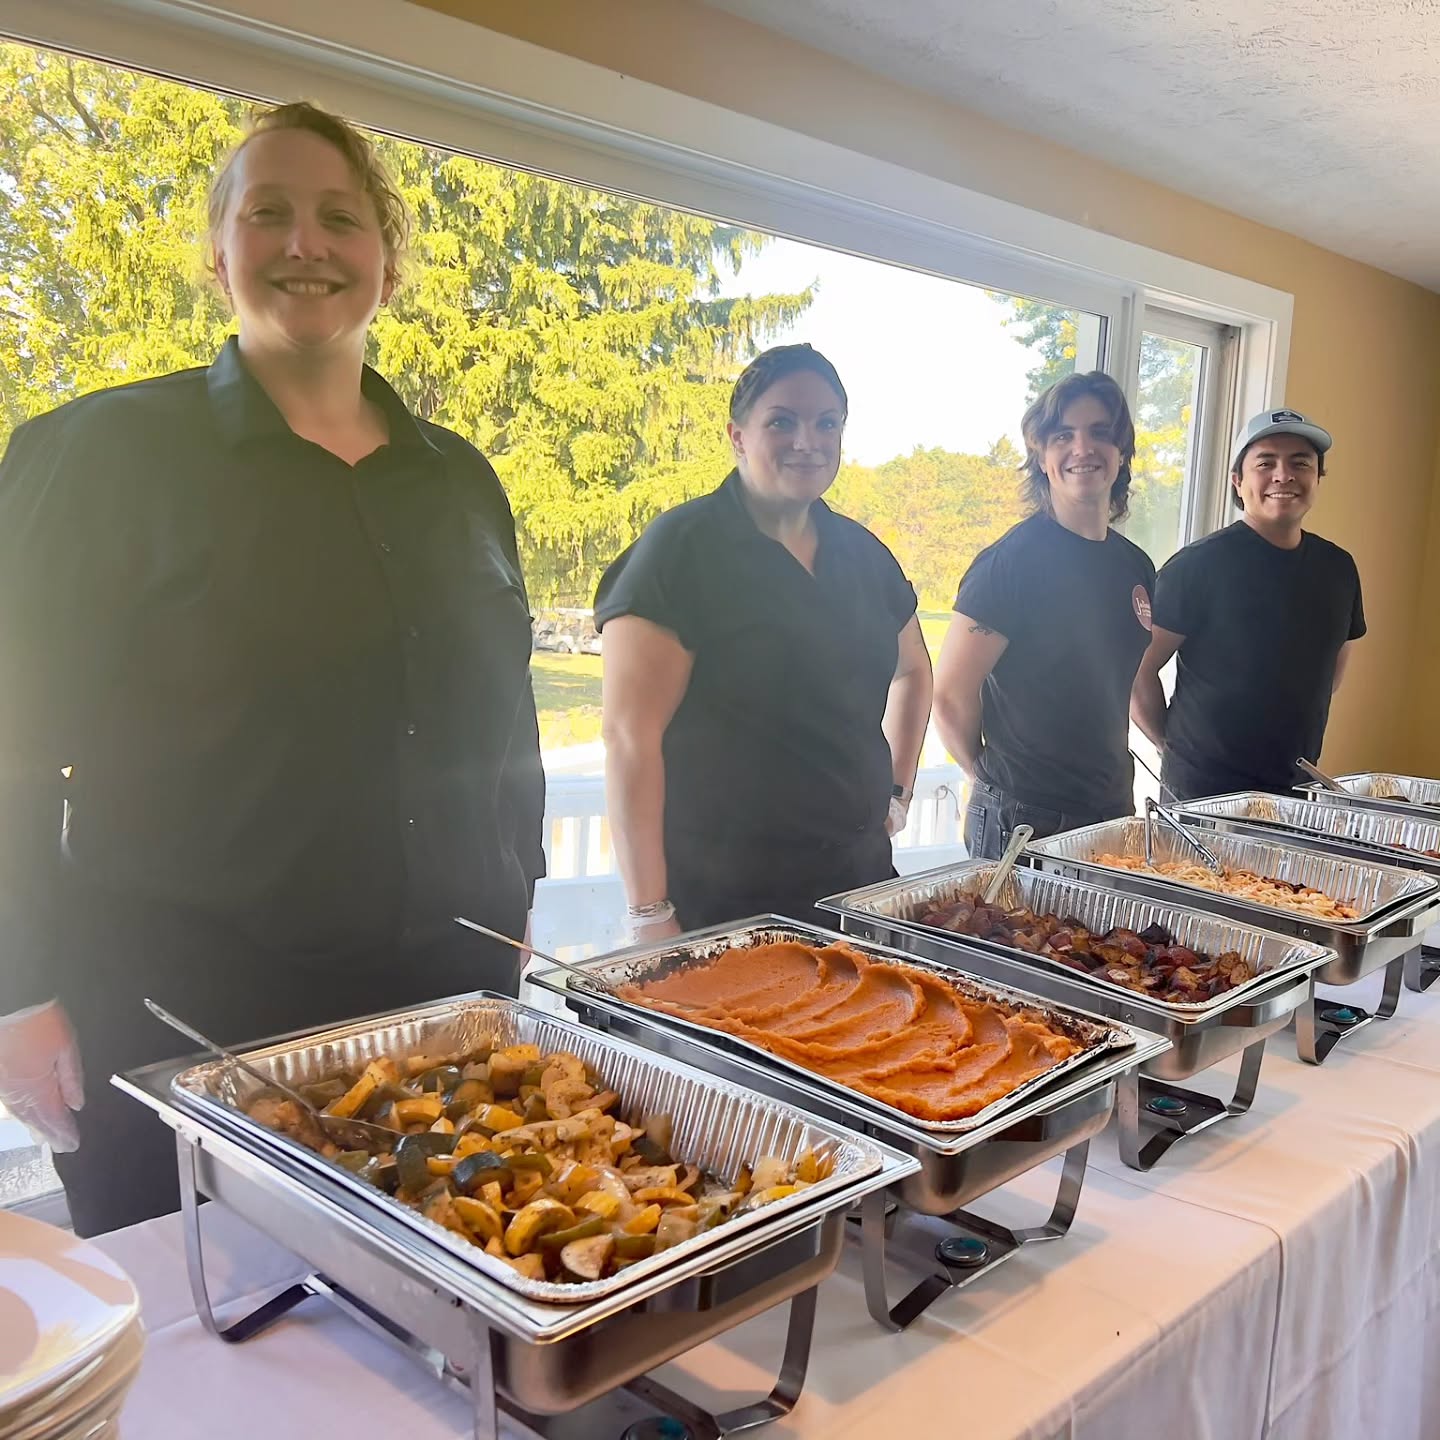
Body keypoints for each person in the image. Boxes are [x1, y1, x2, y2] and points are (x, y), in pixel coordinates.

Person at [0, 102, 545, 1236]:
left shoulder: (462, 482)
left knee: (421, 1324)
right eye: (270, 214)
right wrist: (17, 990)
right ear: (218, 251)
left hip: (432, 1010)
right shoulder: (101, 456)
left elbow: (503, 729)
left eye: (341, 218)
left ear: (385, 261)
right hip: (178, 1015)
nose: (307, 243)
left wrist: (513, 910)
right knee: (206, 1346)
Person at [595, 344, 932, 941]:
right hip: (727, 903)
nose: (808, 439)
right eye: (782, 420)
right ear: (738, 435)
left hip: (859, 889)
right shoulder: (680, 550)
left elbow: (915, 672)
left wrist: (898, 792)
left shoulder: (863, 554)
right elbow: (629, 739)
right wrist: (648, 910)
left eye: (827, 422)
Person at [934, 371, 1155, 858]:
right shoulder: (1010, 564)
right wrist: (990, 781)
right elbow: (950, 694)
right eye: (1063, 435)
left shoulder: (1135, 565)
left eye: (1100, 432)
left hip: (1111, 810)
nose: (1083, 448)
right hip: (1024, 816)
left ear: (1122, 453)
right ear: (1041, 454)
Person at [1130, 408, 1365, 800]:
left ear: (1317, 478)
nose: (1283, 475)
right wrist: (1172, 749)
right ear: (1238, 482)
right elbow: (1137, 670)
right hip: (1202, 795)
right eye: (1266, 463)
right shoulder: (1197, 566)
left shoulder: (1338, 568)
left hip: (1295, 794)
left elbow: (1330, 674)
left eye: (1300, 463)